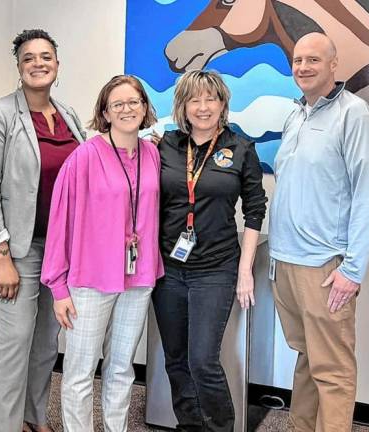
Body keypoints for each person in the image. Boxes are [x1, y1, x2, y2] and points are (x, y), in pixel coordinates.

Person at [268, 32, 369, 431]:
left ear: (334, 64)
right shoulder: (295, 114)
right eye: (298, 60)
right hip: (286, 261)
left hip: (324, 265)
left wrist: (352, 270)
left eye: (313, 60)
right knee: (306, 357)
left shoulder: (354, 115)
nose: (303, 67)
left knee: (332, 370)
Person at [0, 29, 86, 432]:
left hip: (61, 250)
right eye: (29, 58)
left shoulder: (69, 115)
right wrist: (1, 256)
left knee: (45, 343)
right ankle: (4, 426)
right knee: (13, 342)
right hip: (16, 249)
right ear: (18, 67)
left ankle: (34, 418)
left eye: (46, 56)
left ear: (57, 63)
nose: (38, 63)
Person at [41, 75, 163, 432]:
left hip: (138, 278)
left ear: (144, 108)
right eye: (118, 104)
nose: (127, 109)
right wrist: (58, 288)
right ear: (105, 113)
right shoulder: (84, 157)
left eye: (133, 102)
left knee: (121, 366)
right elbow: (60, 222)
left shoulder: (152, 153)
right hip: (90, 280)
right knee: (80, 370)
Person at [152, 69, 267, 432]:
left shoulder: (241, 148)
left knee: (203, 360)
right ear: (182, 106)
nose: (202, 107)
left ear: (223, 104)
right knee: (176, 359)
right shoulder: (164, 145)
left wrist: (244, 271)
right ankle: (189, 426)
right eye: (194, 99)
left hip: (216, 270)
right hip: (168, 270)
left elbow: (254, 209)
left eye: (210, 99)